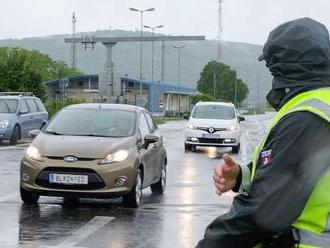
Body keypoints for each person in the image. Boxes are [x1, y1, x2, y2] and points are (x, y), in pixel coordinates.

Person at [197, 17, 330, 248]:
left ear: (281, 65)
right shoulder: (317, 104)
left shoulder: (308, 116)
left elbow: (263, 213)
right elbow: (294, 172)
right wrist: (241, 175)